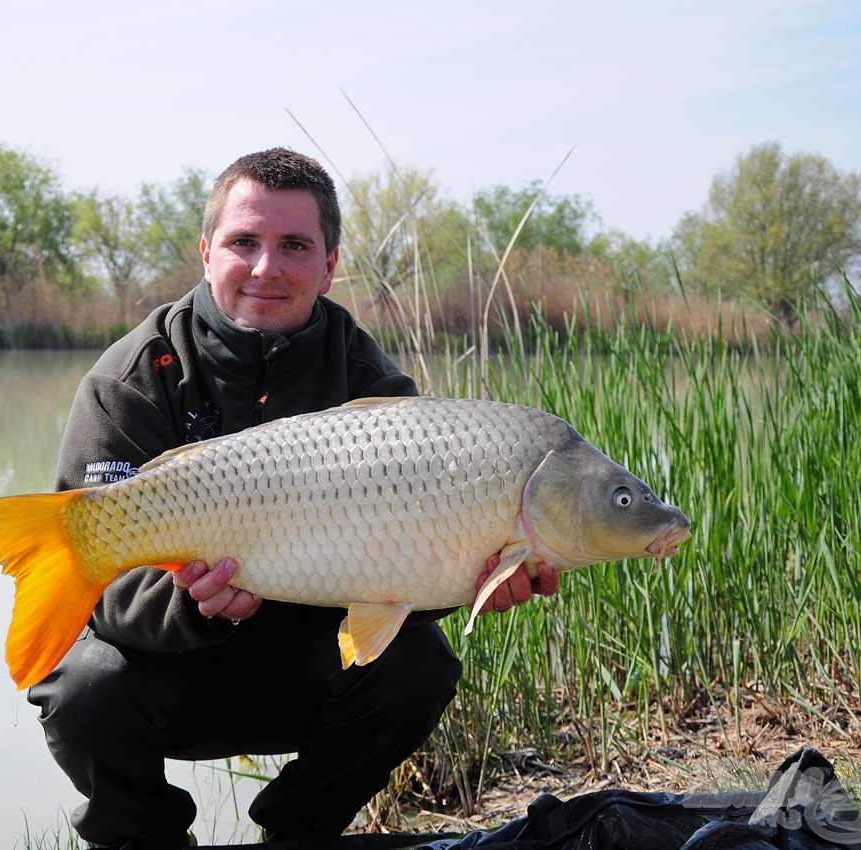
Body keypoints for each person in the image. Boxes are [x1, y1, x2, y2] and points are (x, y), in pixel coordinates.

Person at [27, 147, 559, 848]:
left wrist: (477, 577)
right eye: (243, 242)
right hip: (174, 668)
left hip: (306, 668)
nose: (266, 267)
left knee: (420, 664)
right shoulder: (132, 379)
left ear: (330, 263)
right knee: (79, 685)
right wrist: (193, 602)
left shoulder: (372, 383)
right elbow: (106, 599)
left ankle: (298, 835)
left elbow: (406, 580)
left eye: (295, 246)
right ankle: (143, 839)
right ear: (207, 251)